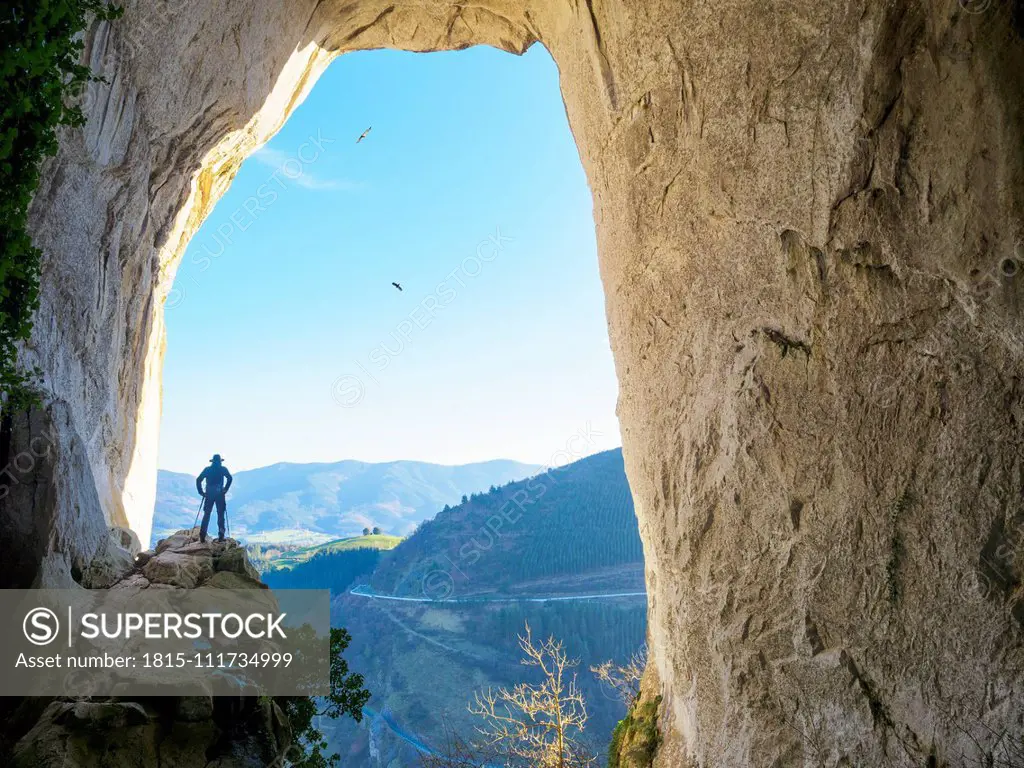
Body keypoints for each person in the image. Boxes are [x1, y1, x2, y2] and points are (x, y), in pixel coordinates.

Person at [196, 454, 233, 543]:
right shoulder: (223, 469)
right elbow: (230, 478)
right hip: (220, 493)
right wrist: (225, 489)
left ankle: (202, 536)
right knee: (220, 514)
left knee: (207, 515)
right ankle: (221, 536)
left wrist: (201, 492)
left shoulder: (207, 470)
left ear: (212, 461)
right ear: (220, 461)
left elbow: (198, 480)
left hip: (209, 494)